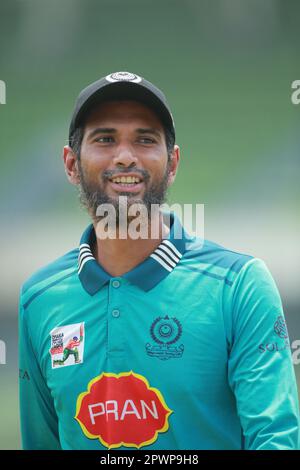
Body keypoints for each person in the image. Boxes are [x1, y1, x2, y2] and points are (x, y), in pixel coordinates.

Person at [19, 71, 299, 450]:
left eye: (145, 139)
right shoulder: (39, 298)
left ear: (172, 163)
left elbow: (276, 440)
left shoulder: (240, 284)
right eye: (105, 139)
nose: (125, 156)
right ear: (70, 164)